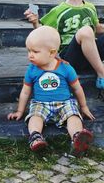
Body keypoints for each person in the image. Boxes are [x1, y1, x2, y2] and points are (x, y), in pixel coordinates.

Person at [8, 26, 95, 157]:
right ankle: (35, 137)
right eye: (29, 51)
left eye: (35, 52)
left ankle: (77, 138)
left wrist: (84, 106)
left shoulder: (65, 68)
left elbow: (77, 88)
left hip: (64, 102)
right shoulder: (32, 69)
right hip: (41, 103)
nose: (30, 55)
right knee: (35, 116)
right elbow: (25, 92)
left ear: (52, 53)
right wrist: (20, 111)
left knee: (73, 116)